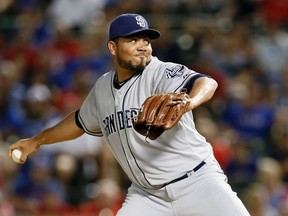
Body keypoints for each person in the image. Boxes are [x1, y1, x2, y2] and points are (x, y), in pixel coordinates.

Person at [8, 13, 250, 216]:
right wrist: (35, 141)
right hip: (147, 196)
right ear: (113, 47)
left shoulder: (161, 72)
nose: (143, 45)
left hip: (198, 181)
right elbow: (80, 121)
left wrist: (189, 101)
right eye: (133, 40)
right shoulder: (102, 88)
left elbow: (208, 83)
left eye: (146, 39)